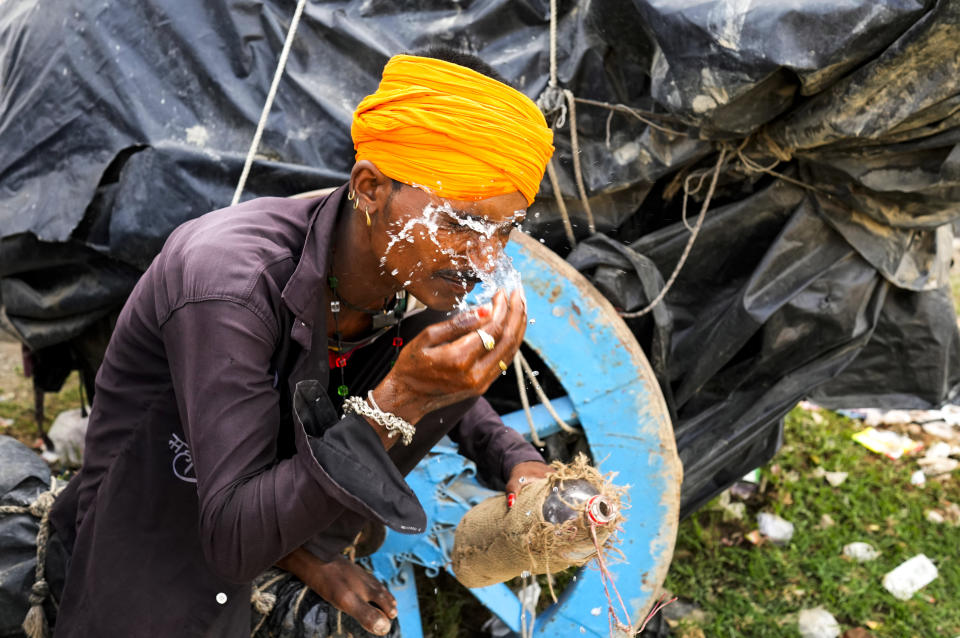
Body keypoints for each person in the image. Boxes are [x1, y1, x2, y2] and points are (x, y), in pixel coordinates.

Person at [47, 48, 556, 636]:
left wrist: (515, 458)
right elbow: (233, 541)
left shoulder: (403, 261)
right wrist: (399, 402)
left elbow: (433, 366)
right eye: (460, 224)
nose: (484, 258)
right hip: (163, 523)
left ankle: (300, 552)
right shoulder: (229, 282)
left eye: (504, 231)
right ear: (369, 189)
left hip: (276, 516)